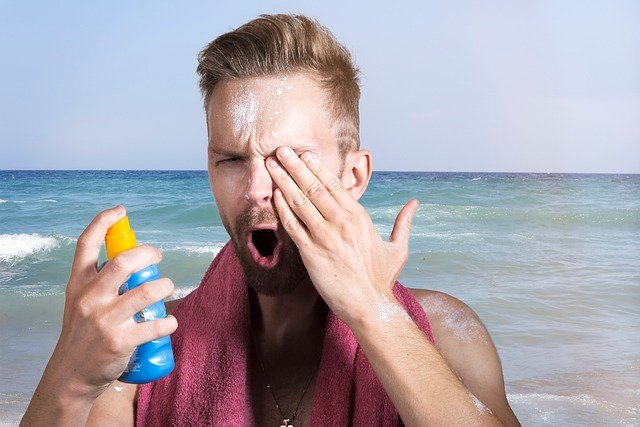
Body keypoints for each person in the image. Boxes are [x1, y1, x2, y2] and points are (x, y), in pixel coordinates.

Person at [22, 14, 520, 426]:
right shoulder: (146, 358)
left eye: (289, 159)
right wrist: (70, 378)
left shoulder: (447, 335)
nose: (257, 188)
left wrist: (374, 311)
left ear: (353, 175)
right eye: (232, 160)